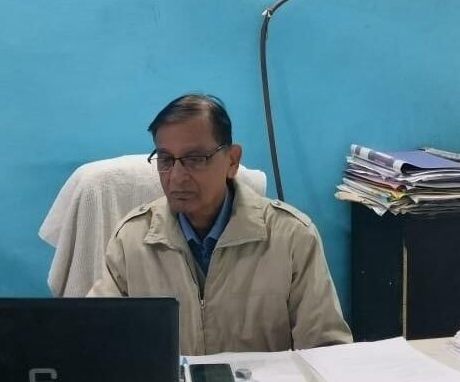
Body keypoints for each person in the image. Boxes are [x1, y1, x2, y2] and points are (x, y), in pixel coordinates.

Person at [89, 93, 352, 355]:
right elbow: (97, 344)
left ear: (232, 161)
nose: (176, 177)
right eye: (166, 160)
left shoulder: (291, 237)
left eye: (195, 159)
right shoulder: (132, 241)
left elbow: (328, 353)